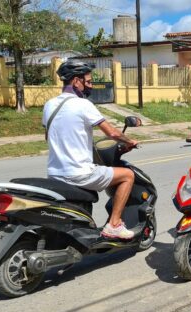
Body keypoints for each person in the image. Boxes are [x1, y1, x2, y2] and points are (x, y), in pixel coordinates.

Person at [43, 60, 138, 239]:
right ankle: (114, 224)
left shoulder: (49, 104)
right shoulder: (83, 104)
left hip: (54, 174)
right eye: (88, 81)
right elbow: (111, 132)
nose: (91, 85)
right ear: (76, 81)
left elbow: (49, 137)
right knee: (128, 175)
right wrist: (129, 141)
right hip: (79, 174)